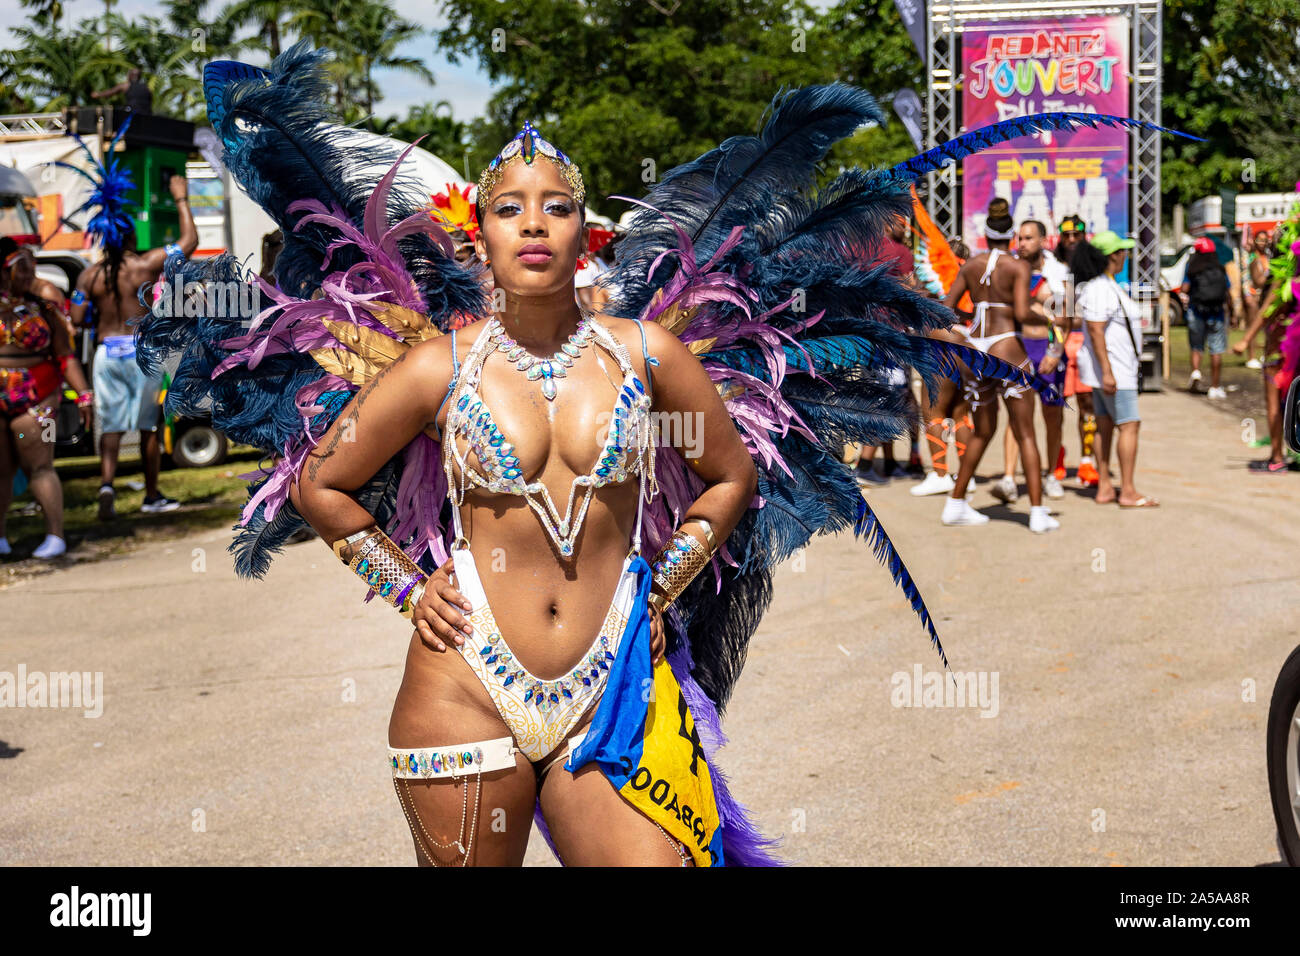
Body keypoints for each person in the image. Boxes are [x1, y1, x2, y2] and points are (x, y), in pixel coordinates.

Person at [69, 166, 197, 520]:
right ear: (128, 238)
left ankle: (107, 486)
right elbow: (188, 243)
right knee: (149, 425)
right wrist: (180, 198)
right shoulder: (145, 264)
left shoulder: (88, 276)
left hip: (107, 354)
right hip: (142, 353)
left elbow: (76, 319)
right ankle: (151, 494)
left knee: (109, 425)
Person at [941, 198, 1059, 533]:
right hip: (1008, 348)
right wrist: (1049, 315)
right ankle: (1036, 513)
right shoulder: (1017, 266)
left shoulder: (972, 265)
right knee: (1025, 432)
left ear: (985, 233)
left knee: (983, 429)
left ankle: (956, 503)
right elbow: (1021, 313)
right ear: (1009, 235)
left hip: (978, 350)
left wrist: (974, 315)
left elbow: (947, 309)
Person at [0, 237, 95, 558]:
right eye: (22, 268)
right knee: (1, 469)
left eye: (31, 267)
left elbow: (65, 356)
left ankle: (55, 536)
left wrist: (83, 395)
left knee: (41, 466)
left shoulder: (45, 307)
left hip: (36, 398)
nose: (31, 275)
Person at [1072, 231, 1159, 507]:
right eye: (1123, 251)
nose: (1126, 255)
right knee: (1129, 425)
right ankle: (1128, 491)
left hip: (1109, 372)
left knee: (1104, 425)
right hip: (1115, 373)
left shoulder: (1103, 286)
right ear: (1113, 256)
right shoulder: (1101, 288)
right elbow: (1096, 330)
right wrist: (1108, 372)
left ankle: (1107, 487)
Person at [992, 220, 1069, 502]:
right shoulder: (1010, 270)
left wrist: (1055, 351)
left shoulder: (1059, 271)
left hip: (1048, 348)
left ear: (1043, 240)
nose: (1022, 243)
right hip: (1019, 348)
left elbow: (1068, 317)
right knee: (1017, 416)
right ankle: (1010, 478)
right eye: (1019, 238)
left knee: (1052, 416)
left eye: (1028, 238)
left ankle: (1051, 475)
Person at [1181, 236, 1231, 399]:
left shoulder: (1192, 267)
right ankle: (1215, 387)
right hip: (1216, 313)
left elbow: (1185, 288)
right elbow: (1228, 289)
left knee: (1197, 346)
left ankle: (1196, 372)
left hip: (1196, 311)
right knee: (1216, 349)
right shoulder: (1220, 267)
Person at [1235, 228, 1273, 370]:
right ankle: (1251, 357)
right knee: (1253, 326)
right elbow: (1247, 278)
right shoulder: (1252, 258)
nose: (1262, 243)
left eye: (1265, 240)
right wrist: (1247, 296)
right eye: (1259, 240)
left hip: (1262, 296)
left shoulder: (1266, 256)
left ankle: (1262, 354)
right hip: (1252, 296)